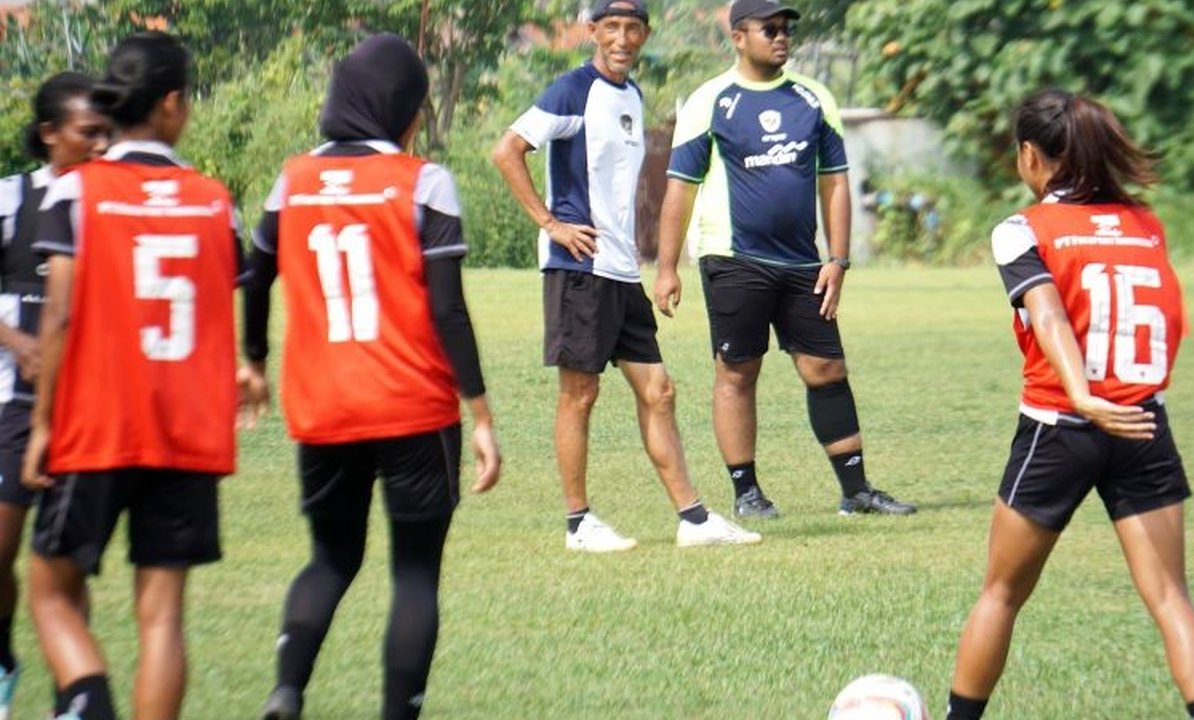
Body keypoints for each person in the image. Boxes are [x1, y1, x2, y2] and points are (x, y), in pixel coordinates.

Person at [238, 35, 502, 720]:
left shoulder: (292, 179)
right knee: (414, 572)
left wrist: (255, 360)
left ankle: (286, 689)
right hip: (413, 407)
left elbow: (255, 278)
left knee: (329, 559)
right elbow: (448, 310)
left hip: (323, 407)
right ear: (405, 112)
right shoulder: (423, 181)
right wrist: (480, 414)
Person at [945, 89, 1194, 720]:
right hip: (1143, 423)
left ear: (1029, 154)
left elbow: (1047, 315)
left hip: (1060, 427)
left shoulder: (1022, 229)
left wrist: (1081, 396)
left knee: (1001, 594)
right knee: (1171, 598)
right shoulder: (1146, 225)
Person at [21, 32, 247, 720]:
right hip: (186, 432)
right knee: (162, 616)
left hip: (98, 426)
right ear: (172, 104)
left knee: (48, 591)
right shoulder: (215, 201)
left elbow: (58, 316)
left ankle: (88, 700)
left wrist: (42, 424)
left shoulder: (76, 191)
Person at [491, 0, 760, 551]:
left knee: (659, 391)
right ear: (592, 31)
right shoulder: (571, 91)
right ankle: (578, 523)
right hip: (578, 269)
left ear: (644, 34)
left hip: (620, 271)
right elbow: (507, 150)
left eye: (632, 28)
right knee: (580, 393)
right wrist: (551, 224)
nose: (622, 38)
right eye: (610, 27)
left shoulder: (632, 95)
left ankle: (694, 520)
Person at [654, 0, 915, 519]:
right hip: (733, 259)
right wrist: (666, 269)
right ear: (738, 37)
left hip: (802, 263)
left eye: (786, 30)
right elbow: (680, 189)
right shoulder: (711, 101)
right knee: (737, 371)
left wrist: (837, 258)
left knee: (826, 367)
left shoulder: (813, 98)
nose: (781, 38)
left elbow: (835, 182)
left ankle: (856, 490)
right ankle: (747, 493)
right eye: (769, 29)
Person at [0, 71, 109, 718]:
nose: (100, 145)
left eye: (107, 133)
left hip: (84, 409)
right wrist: (19, 341)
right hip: (14, 404)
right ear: (49, 133)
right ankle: (4, 659)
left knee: (63, 565)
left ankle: (72, 700)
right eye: (87, 132)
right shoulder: (13, 200)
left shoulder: (108, 205)